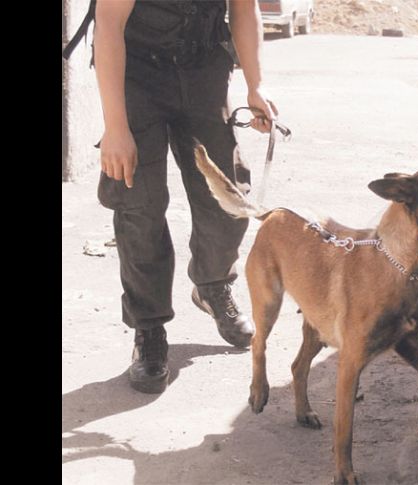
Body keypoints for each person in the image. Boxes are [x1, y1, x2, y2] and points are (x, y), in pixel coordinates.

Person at [93, 0, 277, 394]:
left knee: (229, 200)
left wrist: (255, 84)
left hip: (203, 69)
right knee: (138, 204)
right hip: (137, 75)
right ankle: (149, 329)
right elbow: (107, 23)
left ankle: (212, 285)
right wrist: (115, 127)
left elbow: (244, 9)